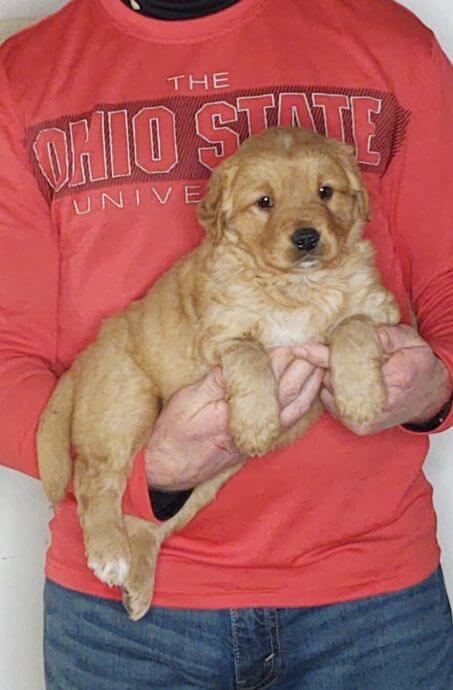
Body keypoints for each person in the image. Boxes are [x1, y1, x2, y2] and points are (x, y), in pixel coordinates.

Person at [0, 0, 452, 687]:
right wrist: (147, 470)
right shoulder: (23, 77)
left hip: (371, 601)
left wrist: (434, 386)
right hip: (122, 628)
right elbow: (6, 351)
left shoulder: (390, 44)